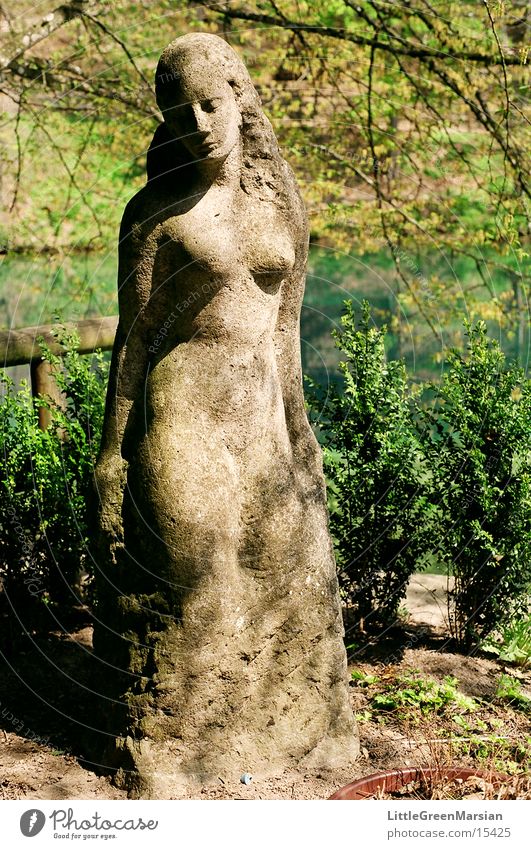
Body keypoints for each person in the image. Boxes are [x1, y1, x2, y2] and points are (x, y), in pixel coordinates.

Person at [93, 33, 357, 796]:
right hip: (184, 406)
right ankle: (170, 749)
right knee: (192, 575)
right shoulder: (153, 216)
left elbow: (287, 330)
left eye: (211, 103)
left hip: (262, 411)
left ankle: (302, 737)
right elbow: (133, 340)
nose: (199, 123)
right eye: (181, 112)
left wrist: (302, 435)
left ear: (240, 98)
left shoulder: (282, 206)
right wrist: (112, 452)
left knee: (282, 570)